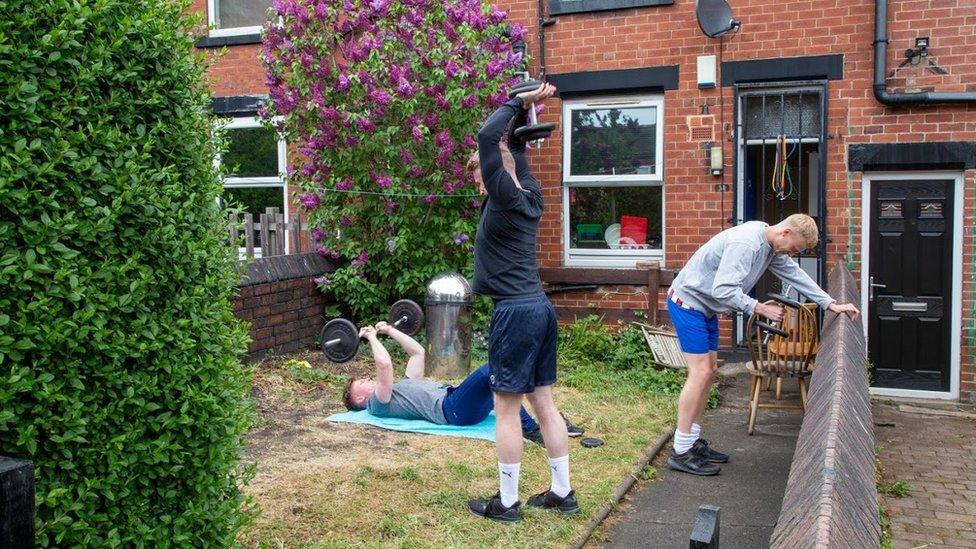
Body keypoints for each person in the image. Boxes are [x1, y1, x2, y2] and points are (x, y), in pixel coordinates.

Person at [665, 214, 860, 476]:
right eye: (794, 249)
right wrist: (758, 308)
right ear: (787, 232)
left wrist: (829, 303)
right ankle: (680, 451)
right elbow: (723, 290)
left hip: (705, 308)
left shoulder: (771, 245)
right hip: (688, 303)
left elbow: (795, 275)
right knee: (699, 373)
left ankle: (691, 441)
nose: (792, 255)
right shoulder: (747, 244)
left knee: (709, 372)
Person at [466, 81, 578, 523]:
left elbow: (486, 137)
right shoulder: (530, 192)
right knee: (544, 403)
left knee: (506, 408)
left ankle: (507, 503)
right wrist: (521, 124)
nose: (477, 180)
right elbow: (511, 149)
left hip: (515, 311)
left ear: (491, 172)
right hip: (539, 308)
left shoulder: (504, 193)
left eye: (479, 172)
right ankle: (562, 492)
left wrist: (519, 102)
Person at [342, 321, 584, 445]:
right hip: (454, 410)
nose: (366, 378)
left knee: (500, 382)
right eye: (360, 383)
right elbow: (384, 366)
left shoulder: (402, 388)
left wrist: (391, 331)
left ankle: (550, 422)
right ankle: (532, 431)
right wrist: (372, 337)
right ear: (361, 399)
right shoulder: (377, 404)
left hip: (459, 402)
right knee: (493, 371)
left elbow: (417, 353)